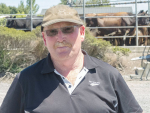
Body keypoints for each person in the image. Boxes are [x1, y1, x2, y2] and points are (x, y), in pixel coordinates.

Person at [0, 5, 143, 113]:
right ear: (44, 38)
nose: (60, 38)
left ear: (82, 33)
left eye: (68, 29)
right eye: (52, 31)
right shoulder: (25, 80)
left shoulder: (109, 75)